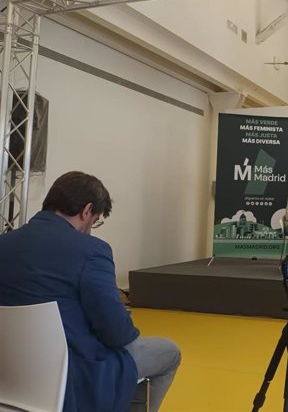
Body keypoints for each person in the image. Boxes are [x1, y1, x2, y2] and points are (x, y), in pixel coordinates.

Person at [0, 171, 181, 412]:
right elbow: (116, 332)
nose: (92, 229)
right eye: (95, 220)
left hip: (9, 373)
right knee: (169, 353)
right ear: (86, 211)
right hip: (72, 379)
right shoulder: (91, 251)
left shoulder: (5, 243)